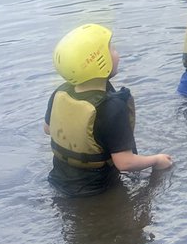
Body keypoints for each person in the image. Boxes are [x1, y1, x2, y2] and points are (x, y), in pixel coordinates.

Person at [45, 24, 172, 197]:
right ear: (98, 60)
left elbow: (48, 128)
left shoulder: (61, 92)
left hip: (57, 183)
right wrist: (157, 160)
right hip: (96, 192)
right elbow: (125, 163)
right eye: (111, 48)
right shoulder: (111, 106)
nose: (117, 53)